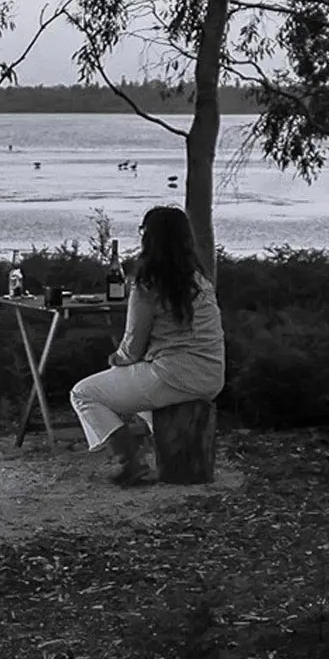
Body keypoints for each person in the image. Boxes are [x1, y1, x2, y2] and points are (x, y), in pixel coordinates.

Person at [69, 206, 223, 485]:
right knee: (142, 392)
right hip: (211, 375)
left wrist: (118, 359)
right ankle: (172, 455)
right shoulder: (200, 281)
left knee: (83, 393)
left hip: (173, 374)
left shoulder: (148, 283)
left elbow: (133, 344)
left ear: (148, 238)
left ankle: (129, 460)